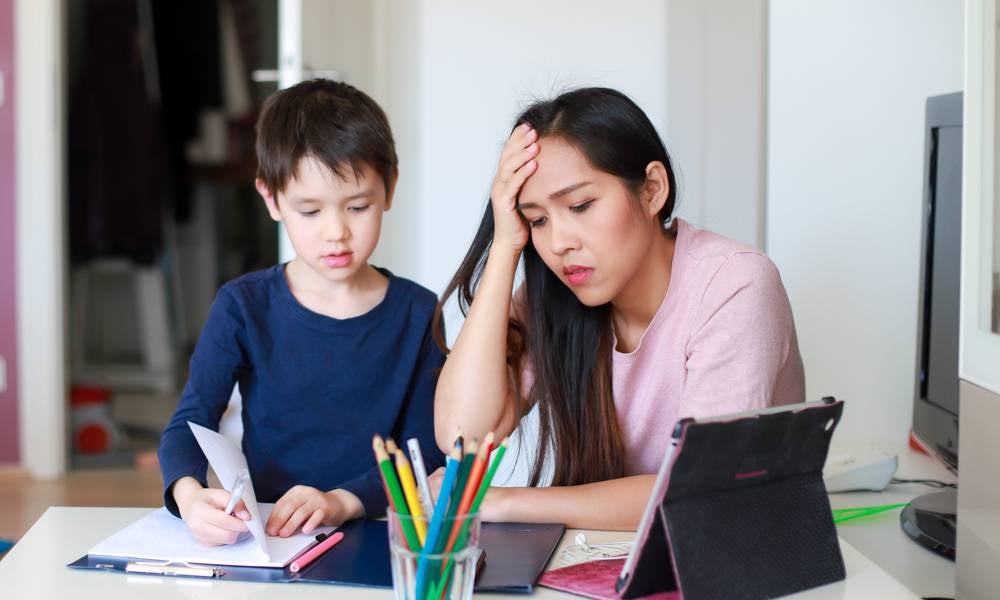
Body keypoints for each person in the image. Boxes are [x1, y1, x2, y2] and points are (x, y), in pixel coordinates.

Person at [433, 87, 804, 530]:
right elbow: (462, 437)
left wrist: (501, 502)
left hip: (737, 557)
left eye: (580, 205)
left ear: (652, 190)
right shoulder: (553, 294)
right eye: (537, 219)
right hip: (610, 556)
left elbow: (701, 489)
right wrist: (505, 247)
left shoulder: (734, 284)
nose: (558, 243)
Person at [158, 79, 445, 546]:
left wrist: (340, 501)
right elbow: (189, 424)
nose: (336, 232)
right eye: (309, 211)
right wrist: (189, 496)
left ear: (390, 189)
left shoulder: (417, 311)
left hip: (377, 530)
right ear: (271, 198)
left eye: (357, 206)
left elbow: (425, 454)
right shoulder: (242, 305)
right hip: (270, 535)